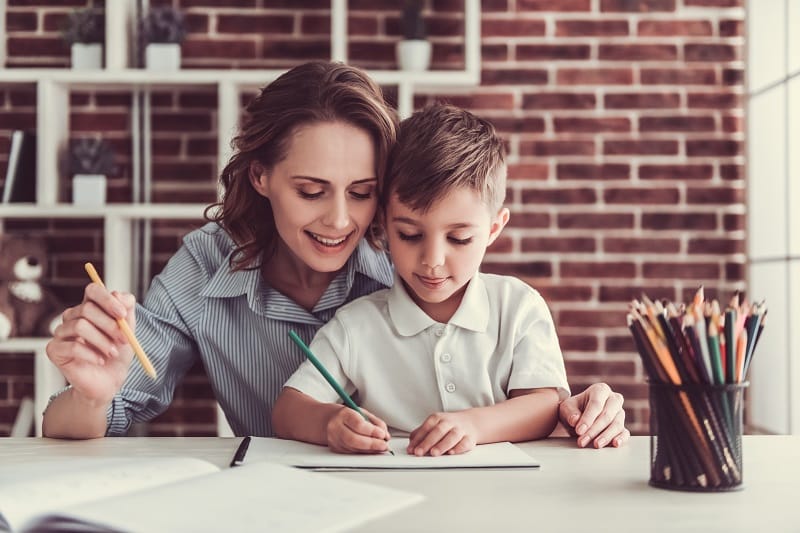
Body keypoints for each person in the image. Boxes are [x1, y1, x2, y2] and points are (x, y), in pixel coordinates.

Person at [42, 61, 628, 449]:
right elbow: (83, 425)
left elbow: (515, 396)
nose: (341, 221)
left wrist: (575, 409)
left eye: (363, 193)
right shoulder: (205, 267)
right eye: (311, 191)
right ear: (263, 176)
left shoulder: (404, 258)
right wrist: (91, 395)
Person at [273, 104, 570, 456]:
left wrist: (472, 425)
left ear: (494, 229)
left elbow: (545, 406)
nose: (432, 261)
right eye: (410, 235)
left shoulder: (517, 306)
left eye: (459, 239)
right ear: (383, 222)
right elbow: (287, 411)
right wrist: (329, 423)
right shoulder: (357, 325)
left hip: (498, 498)